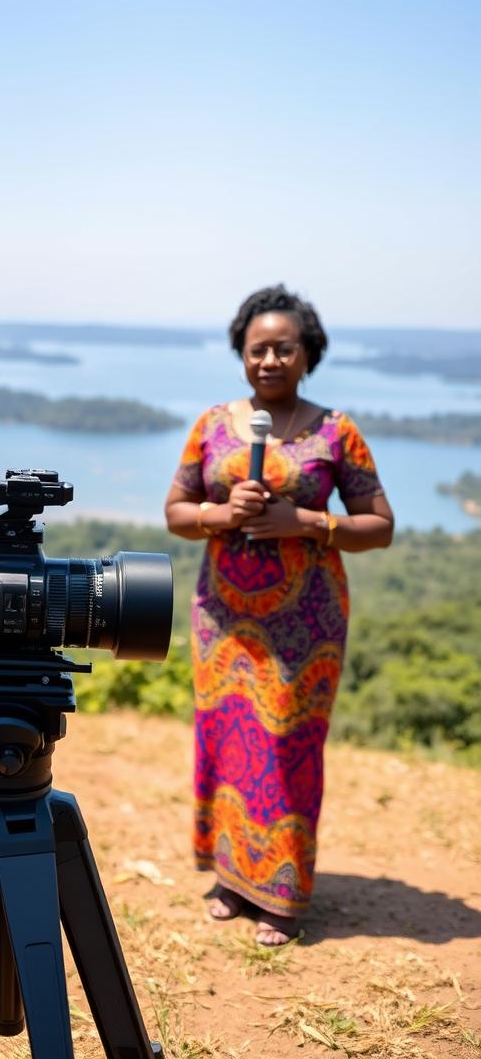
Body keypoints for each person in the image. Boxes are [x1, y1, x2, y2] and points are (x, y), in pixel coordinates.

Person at [164, 285, 393, 945]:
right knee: (228, 741)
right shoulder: (212, 426)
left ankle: (284, 894)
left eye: (283, 349)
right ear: (241, 352)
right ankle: (233, 879)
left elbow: (379, 526)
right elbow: (176, 512)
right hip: (223, 619)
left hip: (306, 624)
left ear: (306, 355)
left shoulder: (334, 431)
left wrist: (310, 522)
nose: (269, 360)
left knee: (287, 748)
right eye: (257, 348)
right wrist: (217, 514)